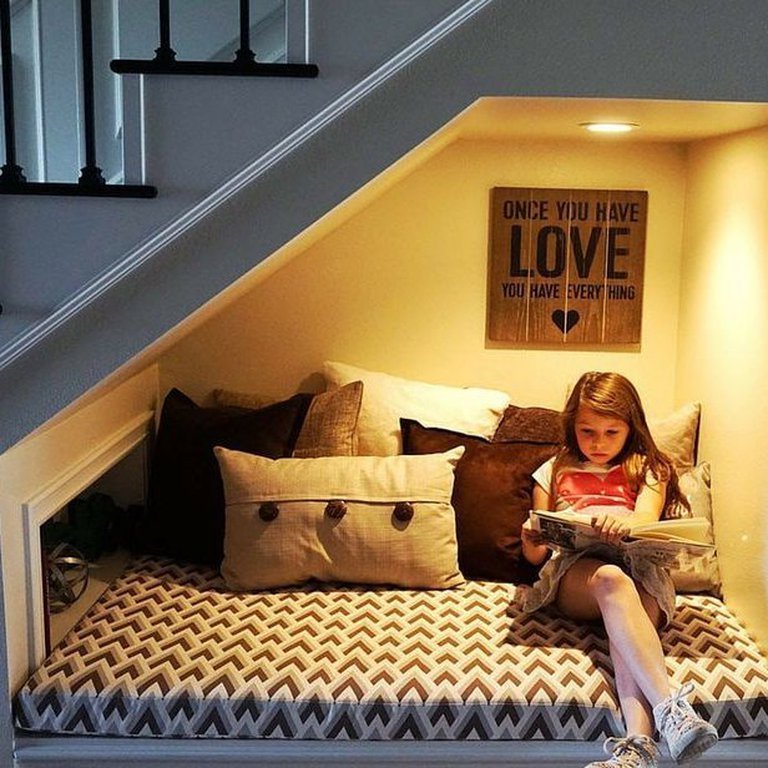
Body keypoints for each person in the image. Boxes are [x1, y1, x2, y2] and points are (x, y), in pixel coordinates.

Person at [518, 372, 718, 768]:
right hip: (580, 575)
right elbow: (535, 558)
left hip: (639, 572)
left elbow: (645, 518)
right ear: (571, 425)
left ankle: (638, 748)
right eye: (587, 431)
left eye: (612, 432)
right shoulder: (552, 469)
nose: (598, 443)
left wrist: (622, 524)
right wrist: (531, 536)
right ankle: (671, 709)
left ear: (632, 428)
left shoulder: (650, 468)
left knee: (625, 612)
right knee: (610, 580)